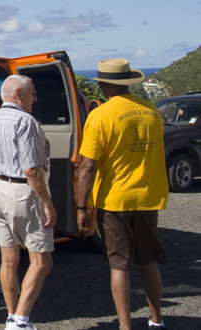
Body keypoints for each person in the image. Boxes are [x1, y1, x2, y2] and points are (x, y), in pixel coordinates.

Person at [76, 58, 168, 330]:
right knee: (149, 261)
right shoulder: (152, 111)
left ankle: (125, 326)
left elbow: (88, 166)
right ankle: (156, 319)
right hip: (148, 197)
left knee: (119, 265)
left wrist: (82, 207)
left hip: (114, 200)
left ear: (104, 85)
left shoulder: (100, 115)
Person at [0, 74, 56, 330]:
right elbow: (32, 170)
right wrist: (48, 203)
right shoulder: (26, 122)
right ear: (18, 94)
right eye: (32, 93)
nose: (35, 98)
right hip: (22, 192)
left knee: (9, 260)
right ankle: (21, 320)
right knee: (41, 261)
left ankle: (12, 316)